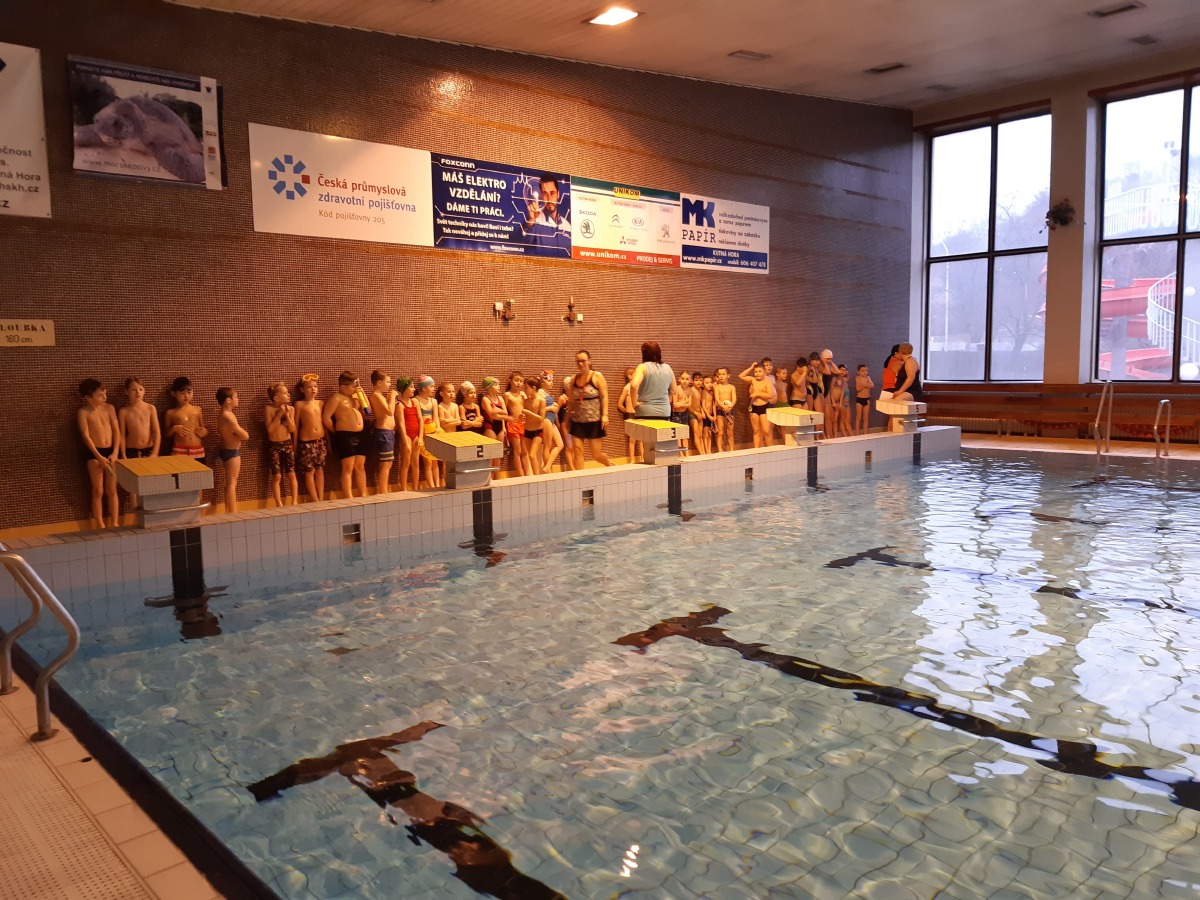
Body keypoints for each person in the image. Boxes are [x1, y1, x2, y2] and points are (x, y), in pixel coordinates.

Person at [77, 378, 120, 529]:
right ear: (88, 397)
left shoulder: (109, 408)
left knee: (112, 489)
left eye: (104, 393)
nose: (104, 396)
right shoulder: (83, 412)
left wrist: (115, 452)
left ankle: (115, 522)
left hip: (111, 451)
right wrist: (98, 456)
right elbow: (85, 436)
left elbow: (116, 431)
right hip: (95, 453)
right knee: (97, 489)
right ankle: (100, 524)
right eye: (100, 394)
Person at [322, 371, 367, 499]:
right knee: (348, 467)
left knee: (360, 466)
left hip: (360, 434)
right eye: (353, 386)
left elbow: (367, 410)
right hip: (345, 435)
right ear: (343, 387)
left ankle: (363, 494)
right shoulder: (336, 398)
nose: (355, 388)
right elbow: (326, 417)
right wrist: (336, 432)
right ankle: (348, 496)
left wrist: (362, 393)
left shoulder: (355, 397)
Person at [118, 376, 160, 511]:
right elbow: (121, 435)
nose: (138, 393)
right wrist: (123, 455)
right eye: (134, 390)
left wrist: (155, 453)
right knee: (133, 486)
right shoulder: (124, 411)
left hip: (149, 449)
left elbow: (156, 432)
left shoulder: (150, 408)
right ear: (126, 392)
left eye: (141, 389)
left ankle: (150, 512)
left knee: (150, 482)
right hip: (131, 450)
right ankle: (137, 515)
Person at [565, 350, 612, 468]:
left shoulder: (597, 376)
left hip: (594, 420)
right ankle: (580, 477)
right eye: (578, 361)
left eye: (583, 361)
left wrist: (605, 415)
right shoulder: (574, 379)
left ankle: (611, 466)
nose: (580, 364)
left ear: (590, 361)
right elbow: (571, 401)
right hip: (577, 420)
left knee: (596, 454)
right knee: (577, 450)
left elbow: (604, 397)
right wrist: (567, 418)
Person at [265, 381, 298, 507]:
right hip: (274, 446)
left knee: (291, 473)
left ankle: (294, 501)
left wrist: (287, 416)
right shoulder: (269, 409)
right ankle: (278, 502)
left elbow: (292, 429)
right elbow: (270, 430)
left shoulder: (291, 409)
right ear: (276, 398)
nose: (288, 395)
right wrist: (279, 414)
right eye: (285, 393)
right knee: (277, 476)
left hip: (287, 443)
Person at [294, 375, 326, 503]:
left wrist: (328, 442)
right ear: (302, 390)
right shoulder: (299, 404)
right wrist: (295, 446)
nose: (313, 389)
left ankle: (321, 498)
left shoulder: (320, 403)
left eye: (315, 386)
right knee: (309, 472)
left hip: (320, 441)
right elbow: (296, 426)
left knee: (320, 470)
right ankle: (314, 499)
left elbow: (324, 424)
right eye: (309, 387)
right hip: (306, 442)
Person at [216, 387, 248, 513]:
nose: (238, 399)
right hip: (231, 451)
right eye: (236, 397)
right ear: (228, 400)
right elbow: (244, 436)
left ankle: (228, 510)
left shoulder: (222, 414)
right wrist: (242, 434)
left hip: (226, 449)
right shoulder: (228, 416)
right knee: (232, 483)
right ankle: (233, 512)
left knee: (230, 482)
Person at [521, 174, 570, 252]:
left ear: (558, 194)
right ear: (541, 195)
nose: (549, 199)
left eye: (552, 193)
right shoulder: (535, 221)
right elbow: (524, 244)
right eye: (545, 194)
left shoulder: (567, 226)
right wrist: (531, 220)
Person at [629, 341, 675, 420]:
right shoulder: (668, 368)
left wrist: (634, 403)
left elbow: (634, 385)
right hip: (664, 411)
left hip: (645, 410)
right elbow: (674, 391)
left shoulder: (642, 367)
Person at [369, 370, 398, 495]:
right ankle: (383, 491)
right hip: (384, 432)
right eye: (388, 382)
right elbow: (389, 411)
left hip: (387, 432)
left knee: (388, 463)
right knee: (385, 464)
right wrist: (392, 397)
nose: (390, 384)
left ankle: (384, 490)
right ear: (379, 383)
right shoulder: (376, 395)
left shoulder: (380, 395)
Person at [165, 376, 207, 460]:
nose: (186, 396)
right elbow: (166, 434)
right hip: (179, 450)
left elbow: (203, 428)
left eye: (189, 392)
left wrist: (205, 432)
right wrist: (173, 429)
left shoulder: (197, 410)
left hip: (197, 450)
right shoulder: (170, 413)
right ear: (173, 394)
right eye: (182, 393)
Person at [738, 361, 775, 448]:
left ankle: (770, 449)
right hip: (754, 407)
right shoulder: (753, 380)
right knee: (756, 430)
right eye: (755, 372)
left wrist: (757, 394)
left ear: (764, 372)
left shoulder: (767, 382)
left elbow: (771, 395)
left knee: (766, 431)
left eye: (760, 371)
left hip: (764, 407)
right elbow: (741, 376)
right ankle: (756, 450)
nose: (757, 373)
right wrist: (751, 367)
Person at [415, 377, 442, 488]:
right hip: (423, 433)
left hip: (433, 432)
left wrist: (438, 428)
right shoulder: (416, 400)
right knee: (428, 462)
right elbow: (419, 419)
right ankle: (431, 486)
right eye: (431, 386)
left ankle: (438, 485)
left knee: (435, 461)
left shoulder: (433, 401)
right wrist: (422, 435)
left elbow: (436, 417)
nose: (433, 389)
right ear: (423, 388)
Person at [396, 377, 421, 492]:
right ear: (405, 389)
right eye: (411, 387)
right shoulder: (400, 405)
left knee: (415, 462)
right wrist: (404, 439)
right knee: (406, 462)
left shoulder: (415, 402)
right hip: (406, 435)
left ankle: (416, 487)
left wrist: (421, 437)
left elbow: (420, 420)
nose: (414, 389)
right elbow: (401, 423)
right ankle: (404, 489)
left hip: (416, 435)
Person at [502, 372, 530, 477]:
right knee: (517, 451)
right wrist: (503, 426)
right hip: (513, 424)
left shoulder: (523, 394)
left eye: (521, 381)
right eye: (516, 380)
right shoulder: (507, 395)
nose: (519, 383)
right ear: (510, 381)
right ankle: (520, 475)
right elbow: (504, 412)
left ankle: (528, 474)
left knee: (525, 451)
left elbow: (528, 407)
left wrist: (526, 415)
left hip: (524, 423)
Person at [521, 377, 546, 476]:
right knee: (529, 455)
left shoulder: (541, 401)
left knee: (532, 455)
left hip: (537, 431)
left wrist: (528, 413)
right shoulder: (526, 401)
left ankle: (537, 478)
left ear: (534, 388)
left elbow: (541, 418)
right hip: (527, 431)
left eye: (526, 387)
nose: (524, 390)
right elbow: (525, 415)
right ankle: (535, 475)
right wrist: (522, 416)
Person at [538, 372, 563, 472]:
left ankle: (547, 466)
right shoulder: (540, 392)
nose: (551, 383)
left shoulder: (547, 393)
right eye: (549, 381)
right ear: (542, 382)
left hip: (552, 421)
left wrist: (558, 423)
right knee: (547, 446)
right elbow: (538, 409)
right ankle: (547, 469)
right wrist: (550, 408)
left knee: (560, 445)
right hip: (546, 420)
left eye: (552, 381)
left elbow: (554, 410)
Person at [617, 366, 640, 463]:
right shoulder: (627, 388)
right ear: (630, 376)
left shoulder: (639, 387)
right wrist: (626, 412)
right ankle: (632, 459)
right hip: (630, 415)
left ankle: (643, 457)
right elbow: (619, 404)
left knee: (642, 438)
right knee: (632, 439)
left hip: (639, 414)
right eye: (635, 374)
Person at [713, 367, 736, 453]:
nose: (721, 376)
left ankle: (731, 449)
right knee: (720, 431)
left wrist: (730, 406)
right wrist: (723, 406)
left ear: (728, 375)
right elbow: (717, 399)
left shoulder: (732, 387)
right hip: (720, 411)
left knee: (730, 432)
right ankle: (720, 450)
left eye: (723, 374)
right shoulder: (717, 387)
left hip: (730, 411)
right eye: (719, 374)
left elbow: (734, 399)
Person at [671, 370, 692, 454]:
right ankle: (680, 454)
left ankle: (686, 453)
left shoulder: (690, 390)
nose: (684, 381)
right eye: (683, 379)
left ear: (690, 381)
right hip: (676, 414)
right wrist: (685, 402)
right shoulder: (676, 389)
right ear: (679, 379)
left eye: (687, 379)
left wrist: (681, 404)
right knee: (678, 435)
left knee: (684, 435)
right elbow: (675, 404)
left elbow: (689, 405)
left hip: (684, 414)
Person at [855, 364, 874, 435]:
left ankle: (865, 433)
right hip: (859, 399)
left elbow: (872, 385)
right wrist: (866, 385)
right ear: (858, 372)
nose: (864, 372)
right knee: (858, 417)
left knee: (865, 418)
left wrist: (863, 385)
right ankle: (857, 434)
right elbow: (858, 388)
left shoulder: (868, 378)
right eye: (862, 371)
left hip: (867, 399)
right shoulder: (857, 378)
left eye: (866, 371)